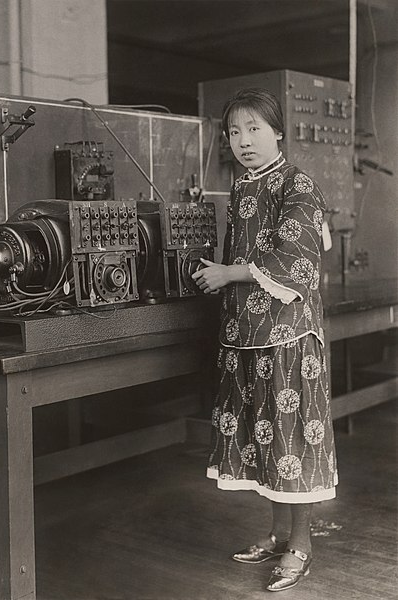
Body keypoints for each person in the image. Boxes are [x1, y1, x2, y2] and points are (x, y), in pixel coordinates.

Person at [192, 87, 338, 592]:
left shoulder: (299, 185)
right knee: (265, 438)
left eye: (254, 129)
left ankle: (301, 545)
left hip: (288, 336)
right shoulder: (243, 188)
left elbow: (293, 257)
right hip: (248, 336)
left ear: (279, 132)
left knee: (293, 438)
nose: (243, 140)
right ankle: (278, 534)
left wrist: (227, 273)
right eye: (234, 131)